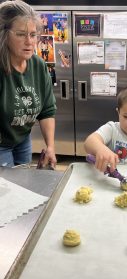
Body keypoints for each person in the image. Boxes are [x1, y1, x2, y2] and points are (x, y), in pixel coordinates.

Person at [0, 0, 57, 168]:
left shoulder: (38, 65)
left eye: (33, 35)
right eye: (20, 34)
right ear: (4, 35)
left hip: (22, 138)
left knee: (23, 184)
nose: (29, 41)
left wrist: (51, 147)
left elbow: (47, 110)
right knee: (6, 190)